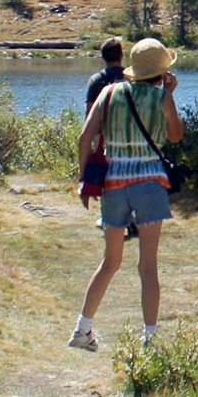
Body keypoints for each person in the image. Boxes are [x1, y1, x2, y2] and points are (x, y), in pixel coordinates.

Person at [70, 39, 182, 351]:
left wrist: (84, 179)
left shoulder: (108, 93)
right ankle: (150, 338)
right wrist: (170, 96)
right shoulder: (162, 97)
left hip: (113, 183)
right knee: (148, 265)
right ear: (162, 73)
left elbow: (85, 137)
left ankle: (83, 329)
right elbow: (175, 135)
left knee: (110, 261)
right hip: (149, 184)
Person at [84, 36, 126, 110]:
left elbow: (89, 112)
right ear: (121, 55)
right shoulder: (132, 78)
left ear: (103, 58)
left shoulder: (96, 80)